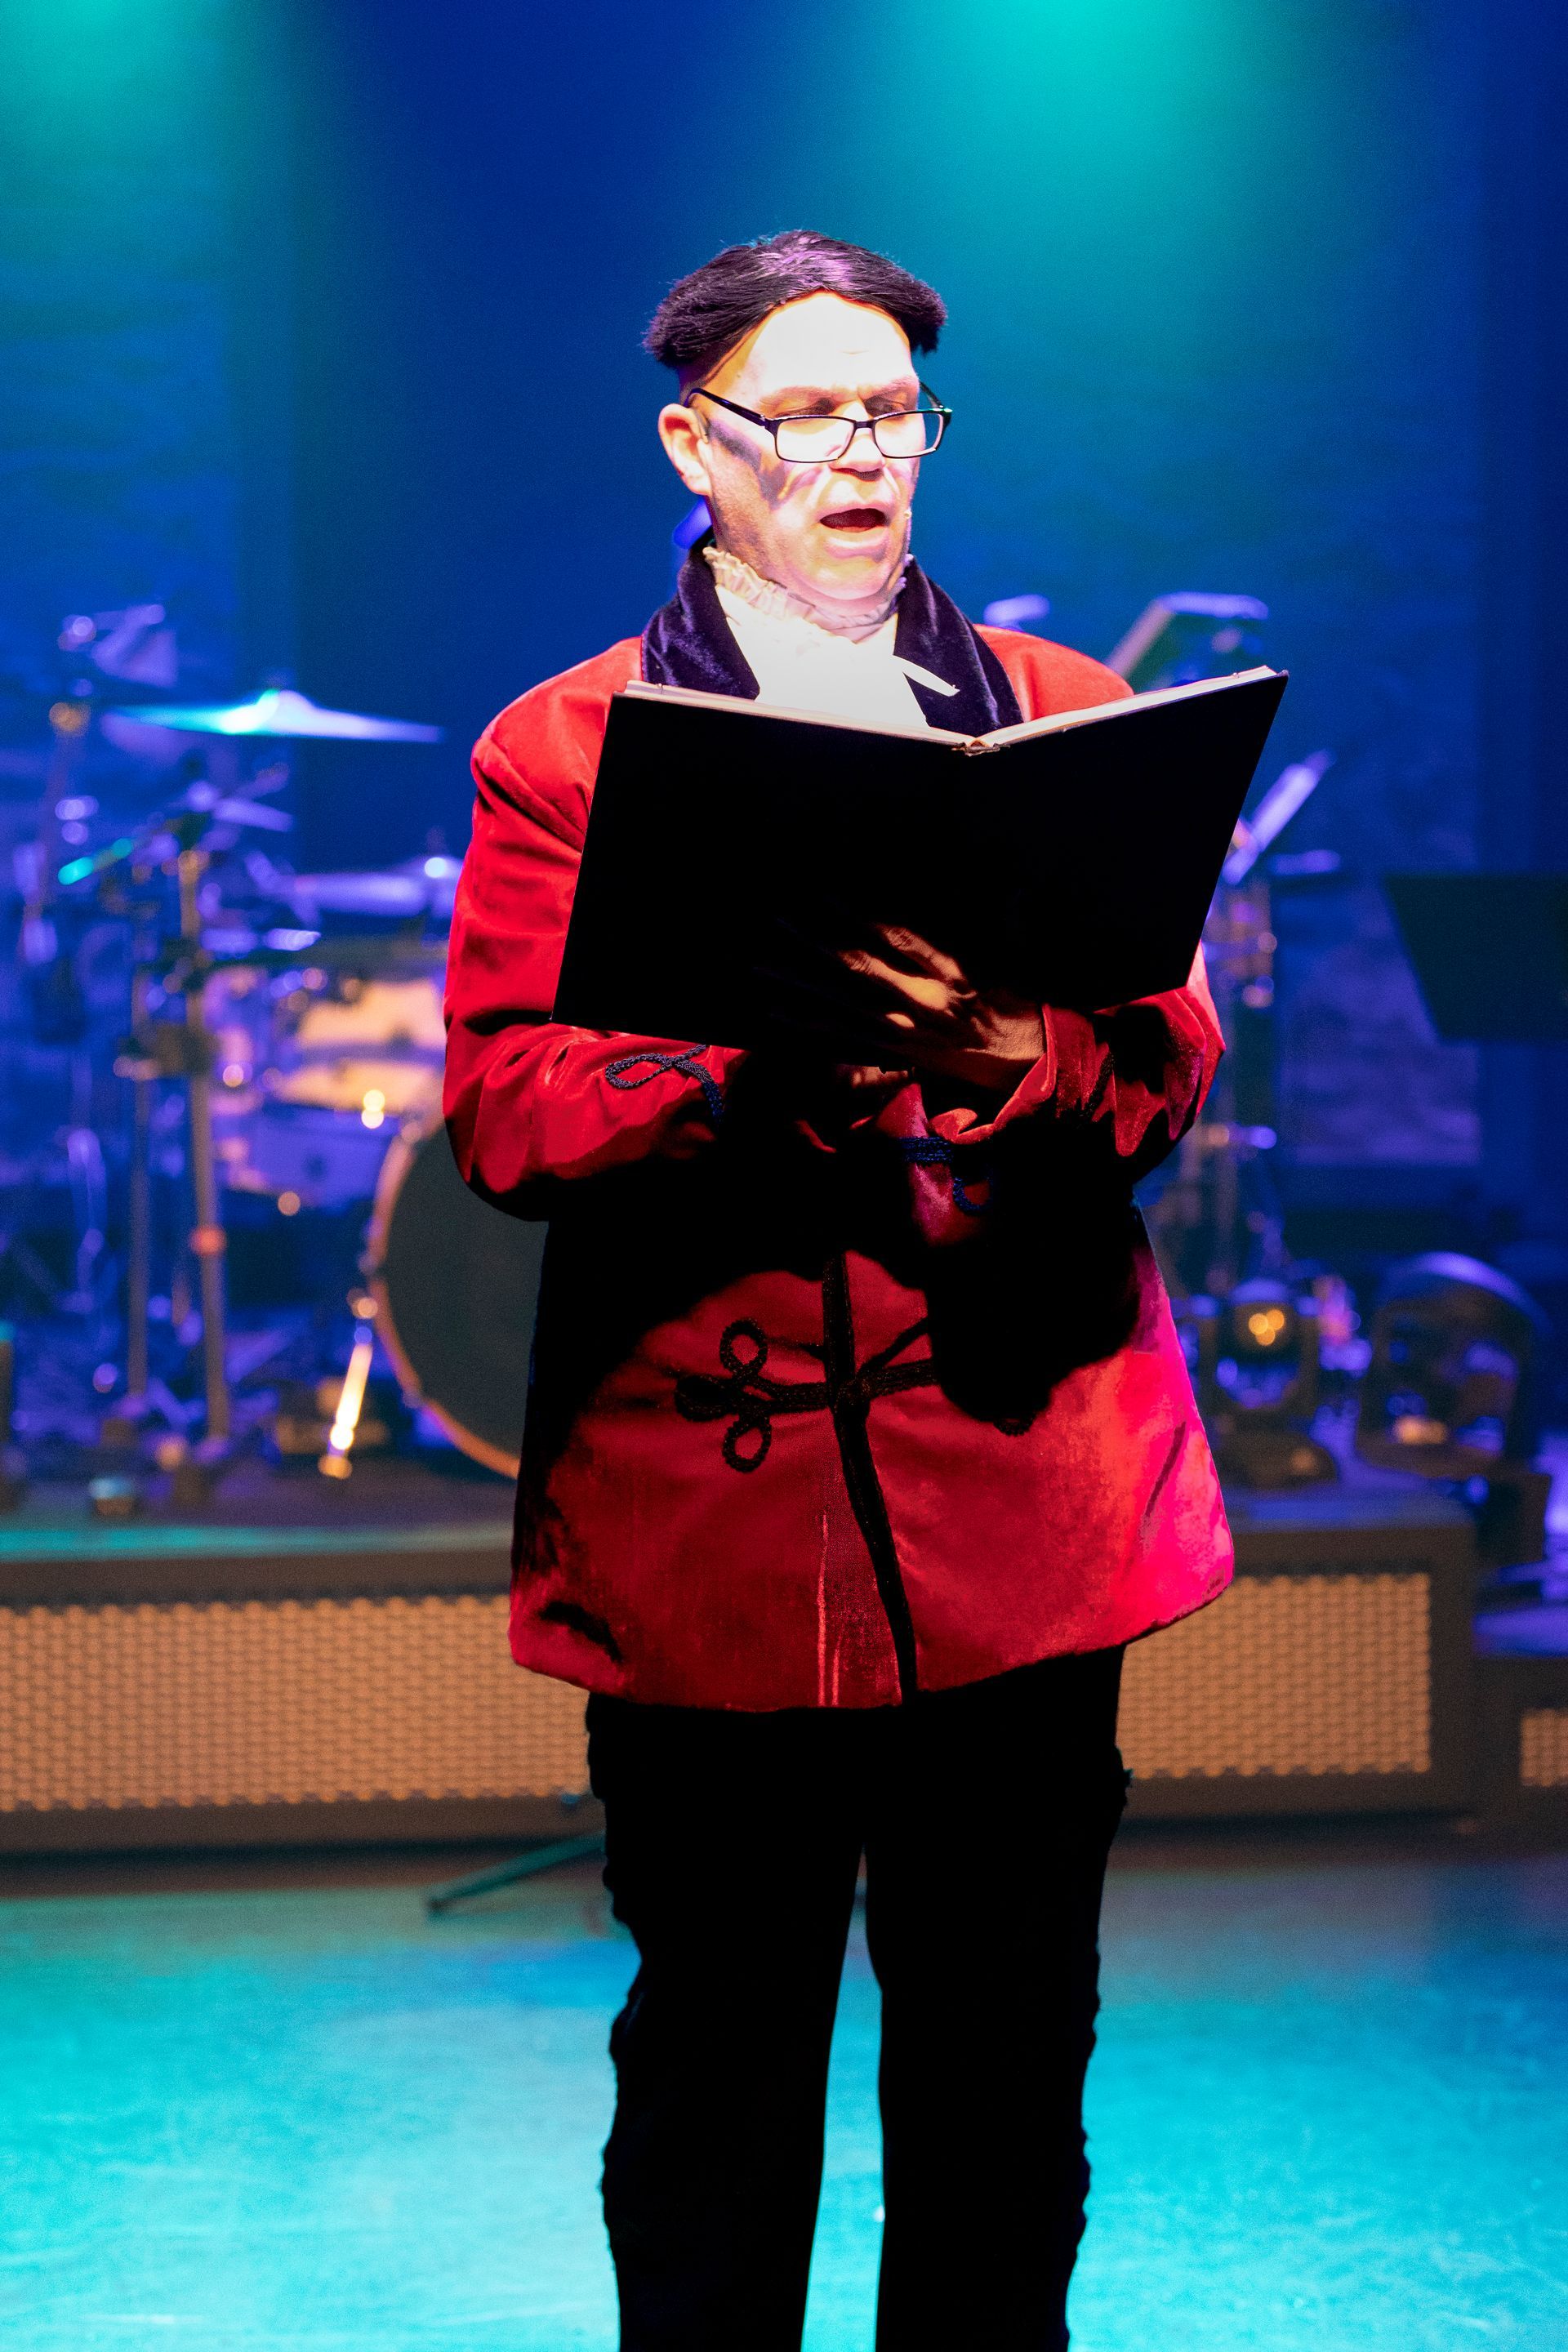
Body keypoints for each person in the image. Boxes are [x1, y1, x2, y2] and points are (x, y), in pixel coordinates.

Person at [443, 230, 1231, 2352]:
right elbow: (506, 1112)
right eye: (805, 416)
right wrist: (747, 1075)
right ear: (694, 445)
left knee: (1004, 2082)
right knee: (716, 2081)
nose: (862, 455)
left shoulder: (1064, 715)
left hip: (1022, 1497)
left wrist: (1015, 1057)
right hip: (714, 1530)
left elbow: (1168, 1060)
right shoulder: (566, 748)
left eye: (894, 413)